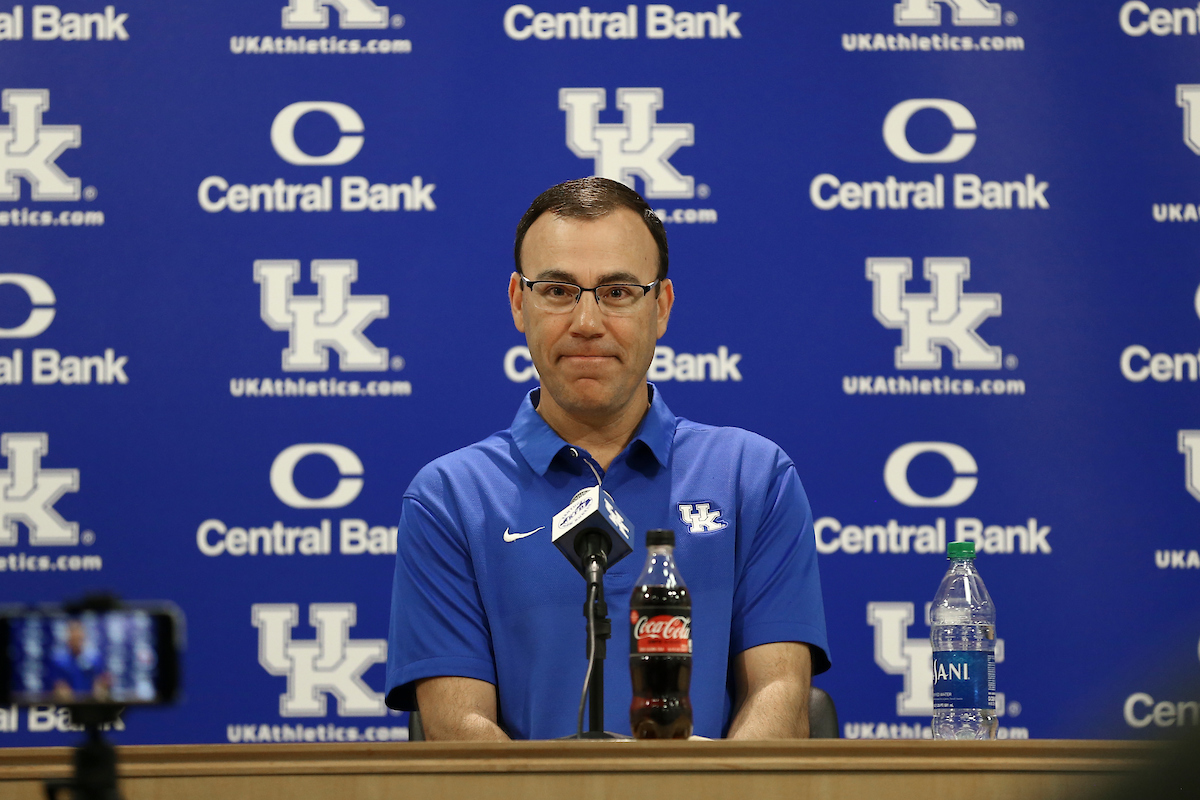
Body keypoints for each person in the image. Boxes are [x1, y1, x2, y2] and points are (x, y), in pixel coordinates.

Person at [386, 177, 829, 740]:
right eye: (557, 290)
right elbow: (458, 730)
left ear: (661, 307)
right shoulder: (450, 497)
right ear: (519, 304)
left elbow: (779, 699)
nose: (588, 323)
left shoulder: (753, 477)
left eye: (618, 292)